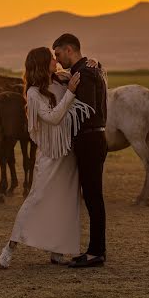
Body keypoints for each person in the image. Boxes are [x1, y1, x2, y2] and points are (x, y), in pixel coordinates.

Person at [0, 47, 94, 269]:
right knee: (36, 199)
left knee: (67, 201)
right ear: (42, 64)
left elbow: (88, 77)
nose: (55, 60)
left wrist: (94, 63)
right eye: (50, 58)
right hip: (50, 154)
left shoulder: (61, 80)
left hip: (68, 152)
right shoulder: (33, 93)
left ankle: (58, 250)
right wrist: (70, 92)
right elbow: (52, 118)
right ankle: (10, 246)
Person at [52, 33, 108, 268]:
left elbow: (86, 111)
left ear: (69, 50)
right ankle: (96, 249)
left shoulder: (84, 73)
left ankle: (96, 252)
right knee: (93, 196)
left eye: (58, 54)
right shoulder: (88, 69)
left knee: (93, 197)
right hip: (95, 139)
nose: (57, 60)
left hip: (89, 140)